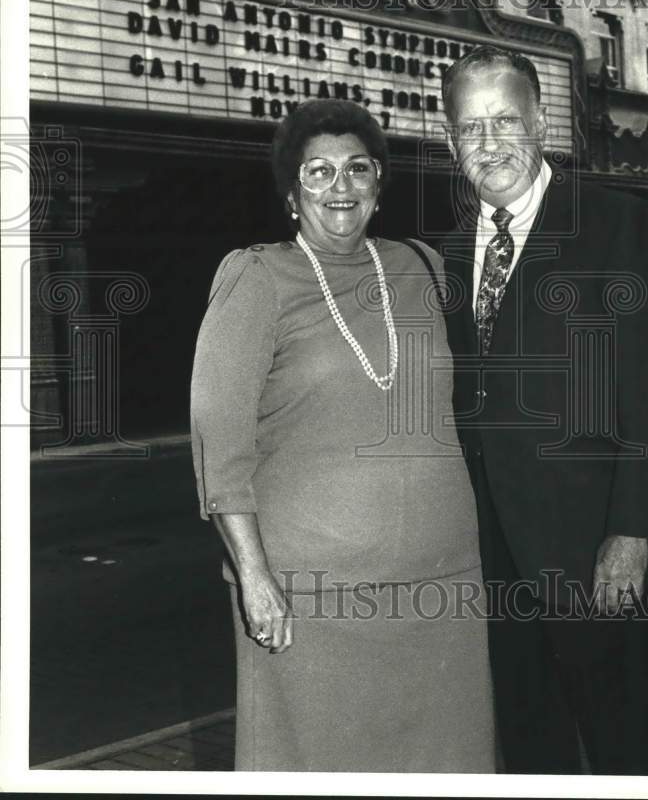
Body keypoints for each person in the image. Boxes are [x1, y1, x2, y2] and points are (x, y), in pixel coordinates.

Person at [190, 99, 494, 773]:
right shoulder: (256, 277)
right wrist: (255, 577)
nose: (341, 186)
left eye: (358, 169)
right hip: (315, 596)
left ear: (380, 184)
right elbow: (220, 444)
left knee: (446, 767)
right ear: (292, 193)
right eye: (319, 171)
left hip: (443, 584)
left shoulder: (425, 268)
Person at [439, 45, 648, 775]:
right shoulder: (450, 254)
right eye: (470, 127)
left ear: (542, 122)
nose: (489, 144)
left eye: (505, 121)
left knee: (627, 751)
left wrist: (633, 532)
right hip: (495, 565)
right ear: (451, 139)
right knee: (530, 751)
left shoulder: (617, 225)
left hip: (598, 555)